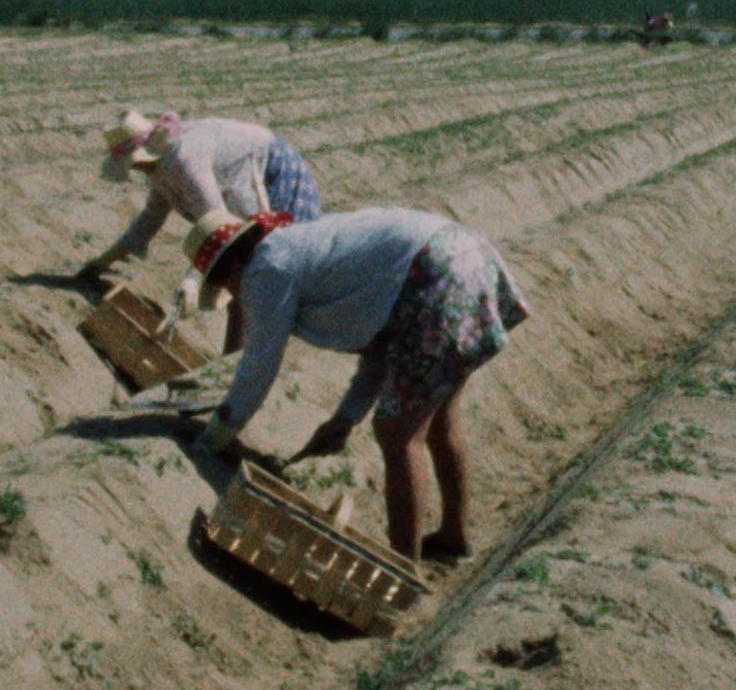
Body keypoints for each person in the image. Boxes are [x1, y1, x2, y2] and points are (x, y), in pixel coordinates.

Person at [184, 207, 530, 563]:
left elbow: (259, 364)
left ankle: (401, 569)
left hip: (434, 277)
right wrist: (345, 418)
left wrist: (218, 433)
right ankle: (452, 538)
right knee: (439, 415)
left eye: (223, 284)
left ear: (231, 270)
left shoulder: (265, 273)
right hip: (461, 255)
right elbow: (385, 341)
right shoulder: (295, 250)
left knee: (398, 433)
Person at [78, 109, 322, 347]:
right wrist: (102, 263)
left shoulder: (185, 161)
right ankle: (236, 355)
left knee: (251, 269)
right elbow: (149, 219)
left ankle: (239, 356)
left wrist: (192, 281)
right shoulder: (160, 167)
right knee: (241, 274)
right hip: (236, 184)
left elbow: (220, 226)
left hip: (270, 170)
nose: (135, 169)